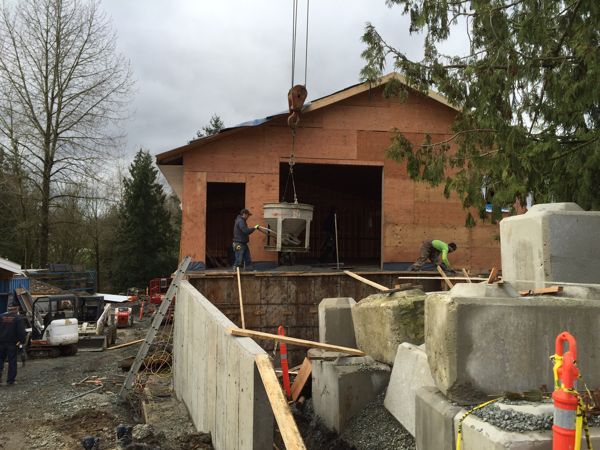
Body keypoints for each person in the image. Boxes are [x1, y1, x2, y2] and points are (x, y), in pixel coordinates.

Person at [0, 302, 27, 386]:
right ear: (17, 309)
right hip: (12, 344)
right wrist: (22, 341)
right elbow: (21, 332)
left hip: (1, 343)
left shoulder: (1, 317)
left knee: (0, 360)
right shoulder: (18, 318)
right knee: (12, 361)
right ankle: (10, 380)